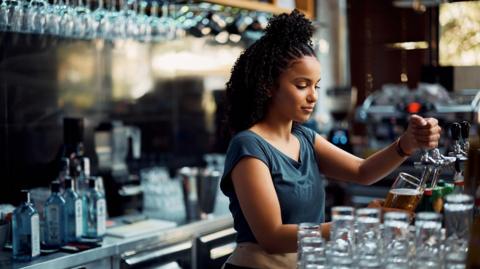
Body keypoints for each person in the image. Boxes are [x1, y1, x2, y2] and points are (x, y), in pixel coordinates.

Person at [219, 10, 442, 269]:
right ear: (268, 86)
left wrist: (407, 144)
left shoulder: (304, 138)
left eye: (316, 86)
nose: (313, 96)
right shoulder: (249, 146)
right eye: (302, 85)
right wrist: (362, 222)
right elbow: (273, 237)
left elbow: (362, 171)